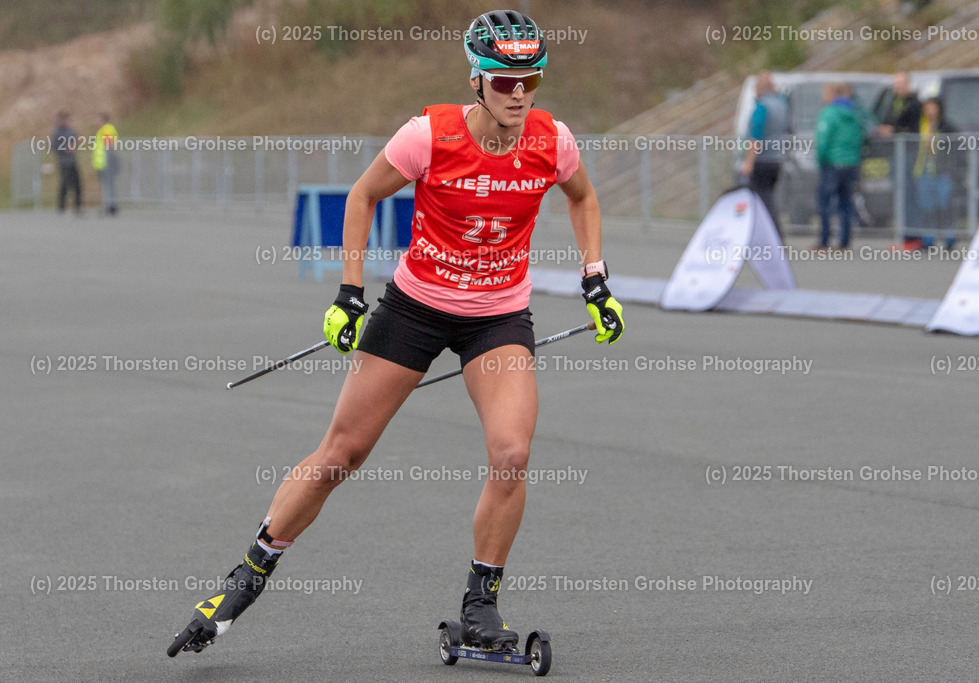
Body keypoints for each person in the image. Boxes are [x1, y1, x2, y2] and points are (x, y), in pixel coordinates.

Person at [168, 9, 625, 657]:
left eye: (531, 79)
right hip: (415, 307)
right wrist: (349, 293)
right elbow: (362, 196)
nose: (519, 93)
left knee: (512, 453)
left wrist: (595, 279)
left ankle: (479, 603)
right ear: (476, 82)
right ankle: (247, 575)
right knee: (341, 455)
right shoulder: (428, 135)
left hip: (497, 317)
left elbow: (582, 198)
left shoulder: (555, 142)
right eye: (504, 81)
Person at [814, 82, 866, 250]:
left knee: (825, 202)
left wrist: (821, 160)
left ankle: (824, 240)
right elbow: (861, 137)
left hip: (832, 163)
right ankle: (844, 241)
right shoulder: (855, 114)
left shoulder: (828, 113)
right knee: (845, 201)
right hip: (851, 162)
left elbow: (823, 141)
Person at [876, 72, 923, 247]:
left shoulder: (914, 103)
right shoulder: (893, 102)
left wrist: (893, 131)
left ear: (908, 85)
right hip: (895, 154)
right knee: (900, 195)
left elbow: (908, 126)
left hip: (909, 154)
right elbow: (889, 120)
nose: (898, 88)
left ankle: (914, 236)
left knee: (909, 195)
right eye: (895, 84)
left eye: (901, 84)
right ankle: (904, 236)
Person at [740, 70, 789, 237]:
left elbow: (755, 137)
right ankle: (771, 233)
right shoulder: (781, 105)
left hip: (762, 160)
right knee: (769, 197)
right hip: (776, 159)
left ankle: (770, 235)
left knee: (761, 200)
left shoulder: (762, 107)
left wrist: (748, 162)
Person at [913, 97, 958, 249]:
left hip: (943, 173)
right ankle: (928, 240)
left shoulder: (947, 127)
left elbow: (955, 151)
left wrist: (952, 170)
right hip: (924, 171)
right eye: (927, 108)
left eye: (932, 107)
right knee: (927, 208)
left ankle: (949, 238)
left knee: (945, 207)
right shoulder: (920, 126)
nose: (929, 111)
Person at [52, 110, 82, 214]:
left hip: (72, 160)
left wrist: (73, 146)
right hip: (63, 161)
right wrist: (64, 149)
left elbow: (75, 142)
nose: (66, 121)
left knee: (77, 183)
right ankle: (61, 206)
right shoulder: (56, 133)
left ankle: (78, 206)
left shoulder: (71, 131)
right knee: (64, 184)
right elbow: (54, 147)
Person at [92, 113, 119, 215]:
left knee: (108, 184)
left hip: (106, 161)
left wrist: (109, 158)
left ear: (103, 120)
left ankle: (110, 205)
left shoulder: (106, 129)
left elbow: (108, 144)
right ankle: (110, 204)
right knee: (108, 184)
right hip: (103, 162)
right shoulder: (104, 130)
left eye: (98, 120)